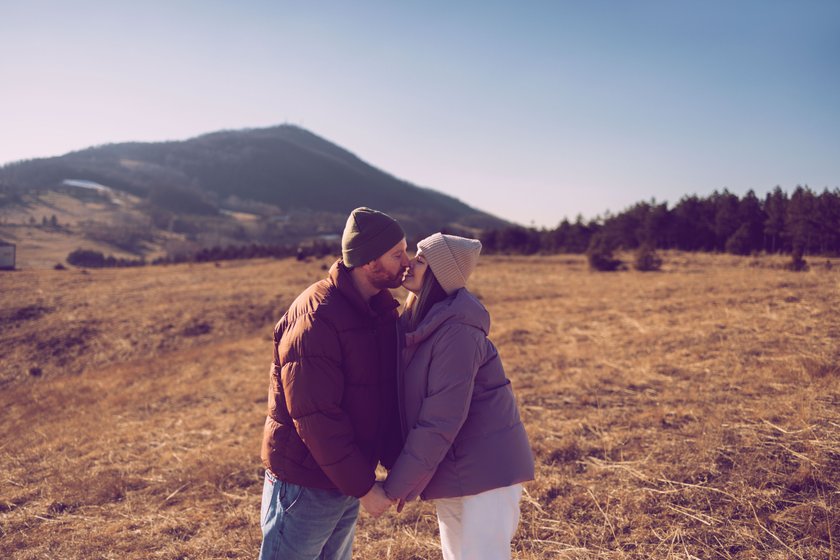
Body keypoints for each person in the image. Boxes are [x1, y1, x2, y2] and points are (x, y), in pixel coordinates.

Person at [259, 207, 409, 560]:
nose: (408, 261)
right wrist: (362, 486)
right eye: (398, 254)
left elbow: (383, 397)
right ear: (371, 262)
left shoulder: (379, 312)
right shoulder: (317, 318)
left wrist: (397, 468)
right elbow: (316, 416)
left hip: (344, 477)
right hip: (305, 485)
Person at [381, 233, 535, 560]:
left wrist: (397, 485)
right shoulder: (416, 323)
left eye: (420, 260)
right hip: (452, 468)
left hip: (487, 470)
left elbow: (441, 417)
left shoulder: (458, 331)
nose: (408, 264)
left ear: (439, 275)